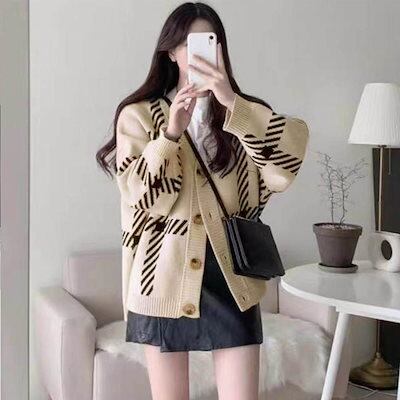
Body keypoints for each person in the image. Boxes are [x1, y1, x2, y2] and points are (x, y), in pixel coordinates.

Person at [96, 2, 309, 400]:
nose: (199, 53)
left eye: (210, 42)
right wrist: (170, 135)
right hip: (161, 277)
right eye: (188, 44)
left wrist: (231, 102)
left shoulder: (244, 113)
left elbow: (285, 166)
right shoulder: (139, 115)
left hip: (232, 278)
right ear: (171, 52)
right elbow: (142, 197)